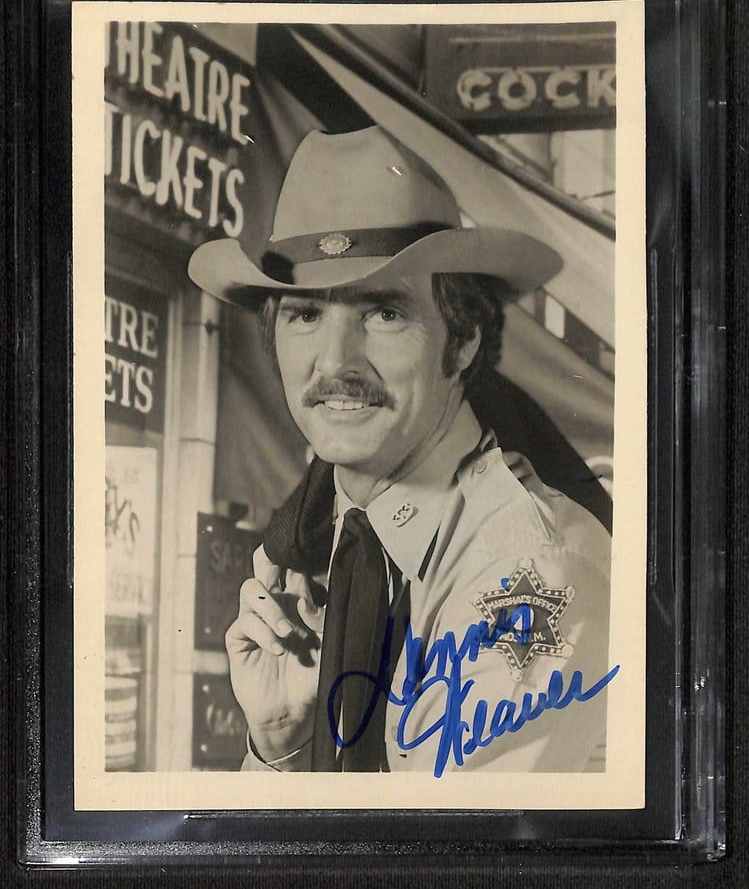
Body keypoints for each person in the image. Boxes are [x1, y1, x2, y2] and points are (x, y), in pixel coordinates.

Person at [189, 126, 613, 775]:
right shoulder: (338, 541)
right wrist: (281, 743)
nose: (334, 363)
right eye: (304, 315)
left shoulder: (524, 570)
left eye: (382, 312)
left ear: (463, 338)